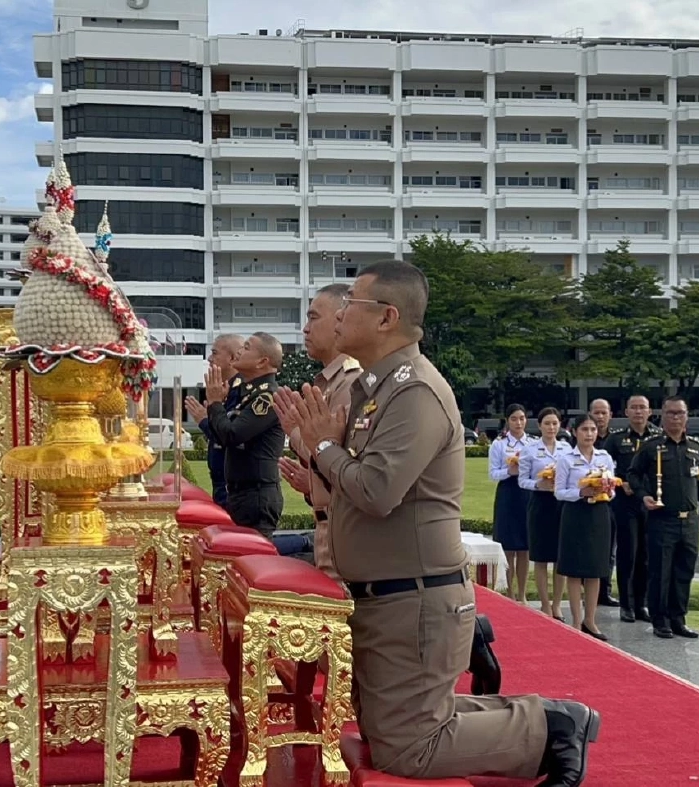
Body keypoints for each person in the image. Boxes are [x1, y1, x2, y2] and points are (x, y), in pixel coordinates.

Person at [274, 260, 598, 786]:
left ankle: (553, 725)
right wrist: (319, 455)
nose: (337, 317)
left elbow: (377, 491)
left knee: (410, 750)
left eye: (351, 303)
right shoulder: (374, 390)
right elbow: (353, 489)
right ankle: (549, 724)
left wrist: (325, 447)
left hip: (415, 594)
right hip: (386, 592)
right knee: (392, 733)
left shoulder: (414, 391)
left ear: (386, 318)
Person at [277, 284, 363, 577]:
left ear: (341, 319)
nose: (305, 329)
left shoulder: (350, 383)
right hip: (329, 524)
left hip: (343, 532)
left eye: (314, 318)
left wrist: (295, 432)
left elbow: (336, 458)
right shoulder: (330, 382)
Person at [184, 333, 285, 538]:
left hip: (256, 494)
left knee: (252, 555)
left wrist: (214, 404)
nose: (240, 352)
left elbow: (232, 435)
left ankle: (302, 543)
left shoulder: (266, 397)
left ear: (262, 361)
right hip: (241, 493)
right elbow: (223, 436)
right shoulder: (249, 394)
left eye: (247, 348)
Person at [628, 396, 699, 640]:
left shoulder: (696, 447)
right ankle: (660, 619)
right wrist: (643, 496)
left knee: (684, 571)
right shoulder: (652, 446)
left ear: (687, 416)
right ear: (662, 416)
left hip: (689, 521)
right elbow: (633, 474)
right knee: (660, 572)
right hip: (662, 519)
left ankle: (679, 619)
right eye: (671, 413)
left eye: (680, 413)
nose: (676, 417)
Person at [553, 414, 617, 642]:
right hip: (575, 514)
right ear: (574, 432)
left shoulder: (605, 457)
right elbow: (559, 491)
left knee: (596, 568)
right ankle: (575, 621)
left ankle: (590, 620)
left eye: (592, 430)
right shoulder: (566, 458)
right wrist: (581, 492)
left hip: (599, 514)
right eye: (584, 430)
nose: (589, 434)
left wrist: (606, 490)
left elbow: (613, 489)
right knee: (575, 569)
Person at [604, 395, 660, 623]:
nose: (638, 412)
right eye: (634, 408)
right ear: (626, 412)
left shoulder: (660, 438)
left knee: (646, 556)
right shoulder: (617, 440)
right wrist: (620, 482)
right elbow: (604, 469)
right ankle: (626, 605)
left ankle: (641, 604)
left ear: (650, 412)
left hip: (651, 503)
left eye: (642, 408)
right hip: (625, 504)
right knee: (628, 554)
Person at [519, 408, 571, 620]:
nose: (551, 427)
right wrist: (539, 484)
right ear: (539, 426)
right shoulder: (530, 450)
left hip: (561, 504)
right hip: (540, 503)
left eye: (555, 423)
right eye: (547, 423)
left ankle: (557, 603)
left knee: (560, 557)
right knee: (540, 557)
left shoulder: (567, 448)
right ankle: (544, 604)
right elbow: (522, 480)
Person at [488, 405, 534, 602]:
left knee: (524, 547)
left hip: (527, 494)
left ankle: (522, 594)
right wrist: (510, 471)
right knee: (508, 547)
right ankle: (510, 594)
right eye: (514, 419)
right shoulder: (499, 444)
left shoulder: (533, 443)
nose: (519, 423)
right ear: (508, 420)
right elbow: (493, 473)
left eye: (522, 418)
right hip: (508, 492)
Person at [195, 334, 244, 507]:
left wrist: (204, 420)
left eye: (214, 353)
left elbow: (229, 435)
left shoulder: (241, 391)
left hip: (234, 487)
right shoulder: (226, 389)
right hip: (222, 483)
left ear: (232, 358)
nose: (209, 358)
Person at [587, 399, 617, 608]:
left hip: (609, 503)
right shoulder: (580, 439)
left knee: (609, 549)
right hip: (584, 502)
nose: (599, 417)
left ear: (610, 415)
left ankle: (604, 591)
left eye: (603, 413)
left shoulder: (615, 442)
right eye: (596, 413)